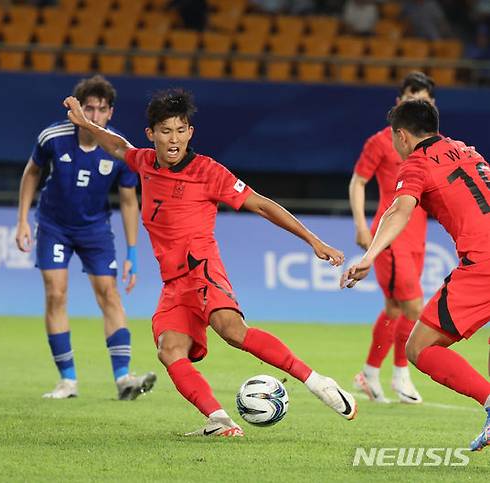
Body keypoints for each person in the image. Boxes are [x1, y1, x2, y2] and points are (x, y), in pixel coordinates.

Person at [63, 88, 358, 436]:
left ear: (190, 132)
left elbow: (261, 204)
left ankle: (317, 382)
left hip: (202, 269)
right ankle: (219, 420)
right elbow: (117, 145)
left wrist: (313, 240)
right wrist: (86, 124)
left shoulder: (207, 172)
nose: (173, 139)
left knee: (232, 331)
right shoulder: (144, 161)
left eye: (180, 130)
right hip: (174, 284)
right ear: (151, 134)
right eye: (165, 131)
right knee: (169, 350)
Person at [342, 100, 490, 451]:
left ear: (403, 136)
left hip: (484, 263)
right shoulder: (468, 150)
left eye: (395, 139)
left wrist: (370, 255)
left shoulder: (418, 163)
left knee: (420, 347)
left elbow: (399, 211)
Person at [16, 75, 156, 401]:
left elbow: (128, 200)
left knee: (109, 294)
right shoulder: (52, 137)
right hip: (53, 226)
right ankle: (67, 381)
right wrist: (22, 220)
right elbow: (32, 172)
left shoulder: (120, 149)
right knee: (56, 294)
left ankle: (124, 379)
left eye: (101, 109)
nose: (94, 116)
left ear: (110, 113)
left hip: (95, 230)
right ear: (75, 110)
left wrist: (132, 252)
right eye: (88, 108)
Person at [349, 72, 435, 404]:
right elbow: (358, 181)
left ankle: (369, 374)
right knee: (413, 307)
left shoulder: (432, 145)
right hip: (391, 235)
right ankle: (401, 374)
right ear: (399, 100)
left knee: (395, 307)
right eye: (413, 96)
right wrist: (360, 225)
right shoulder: (382, 141)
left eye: (425, 98)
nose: (419, 103)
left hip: (419, 235)